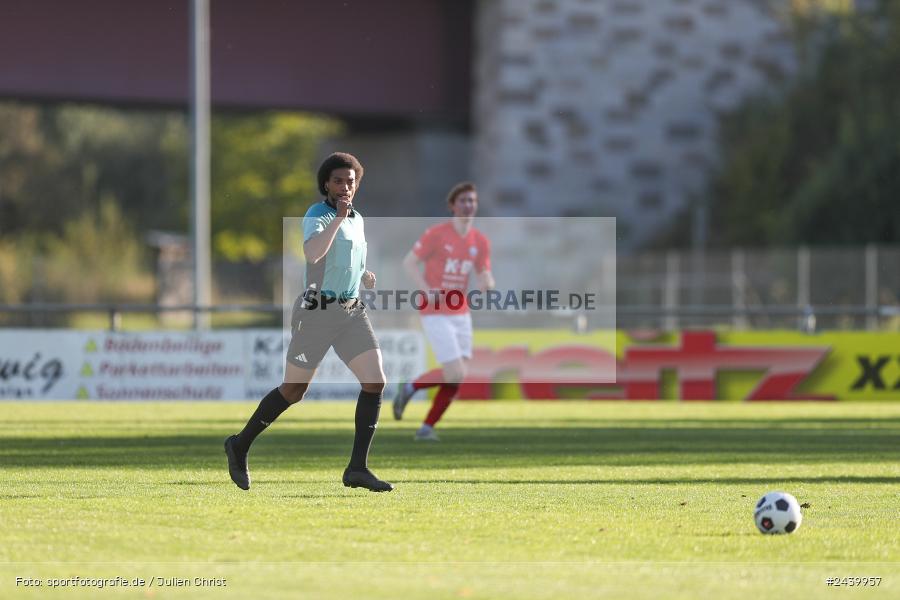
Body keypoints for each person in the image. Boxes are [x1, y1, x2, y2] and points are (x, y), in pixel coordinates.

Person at [225, 152, 393, 492]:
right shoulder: (318, 214)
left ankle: (357, 468)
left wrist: (364, 275)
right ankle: (239, 444)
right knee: (293, 390)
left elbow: (345, 261)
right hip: (317, 311)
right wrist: (337, 219)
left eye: (351, 180)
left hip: (350, 311)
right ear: (326, 185)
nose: (346, 186)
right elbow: (313, 253)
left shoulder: (356, 219)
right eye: (339, 181)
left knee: (375, 381)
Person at [392, 182, 494, 441]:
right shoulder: (437, 233)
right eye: (463, 201)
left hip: (461, 311)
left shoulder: (480, 241)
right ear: (452, 206)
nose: (468, 205)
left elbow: (484, 272)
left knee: (457, 377)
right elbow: (410, 262)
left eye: (472, 201)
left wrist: (487, 282)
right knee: (455, 372)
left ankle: (426, 428)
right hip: (435, 310)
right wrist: (426, 289)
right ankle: (412, 387)